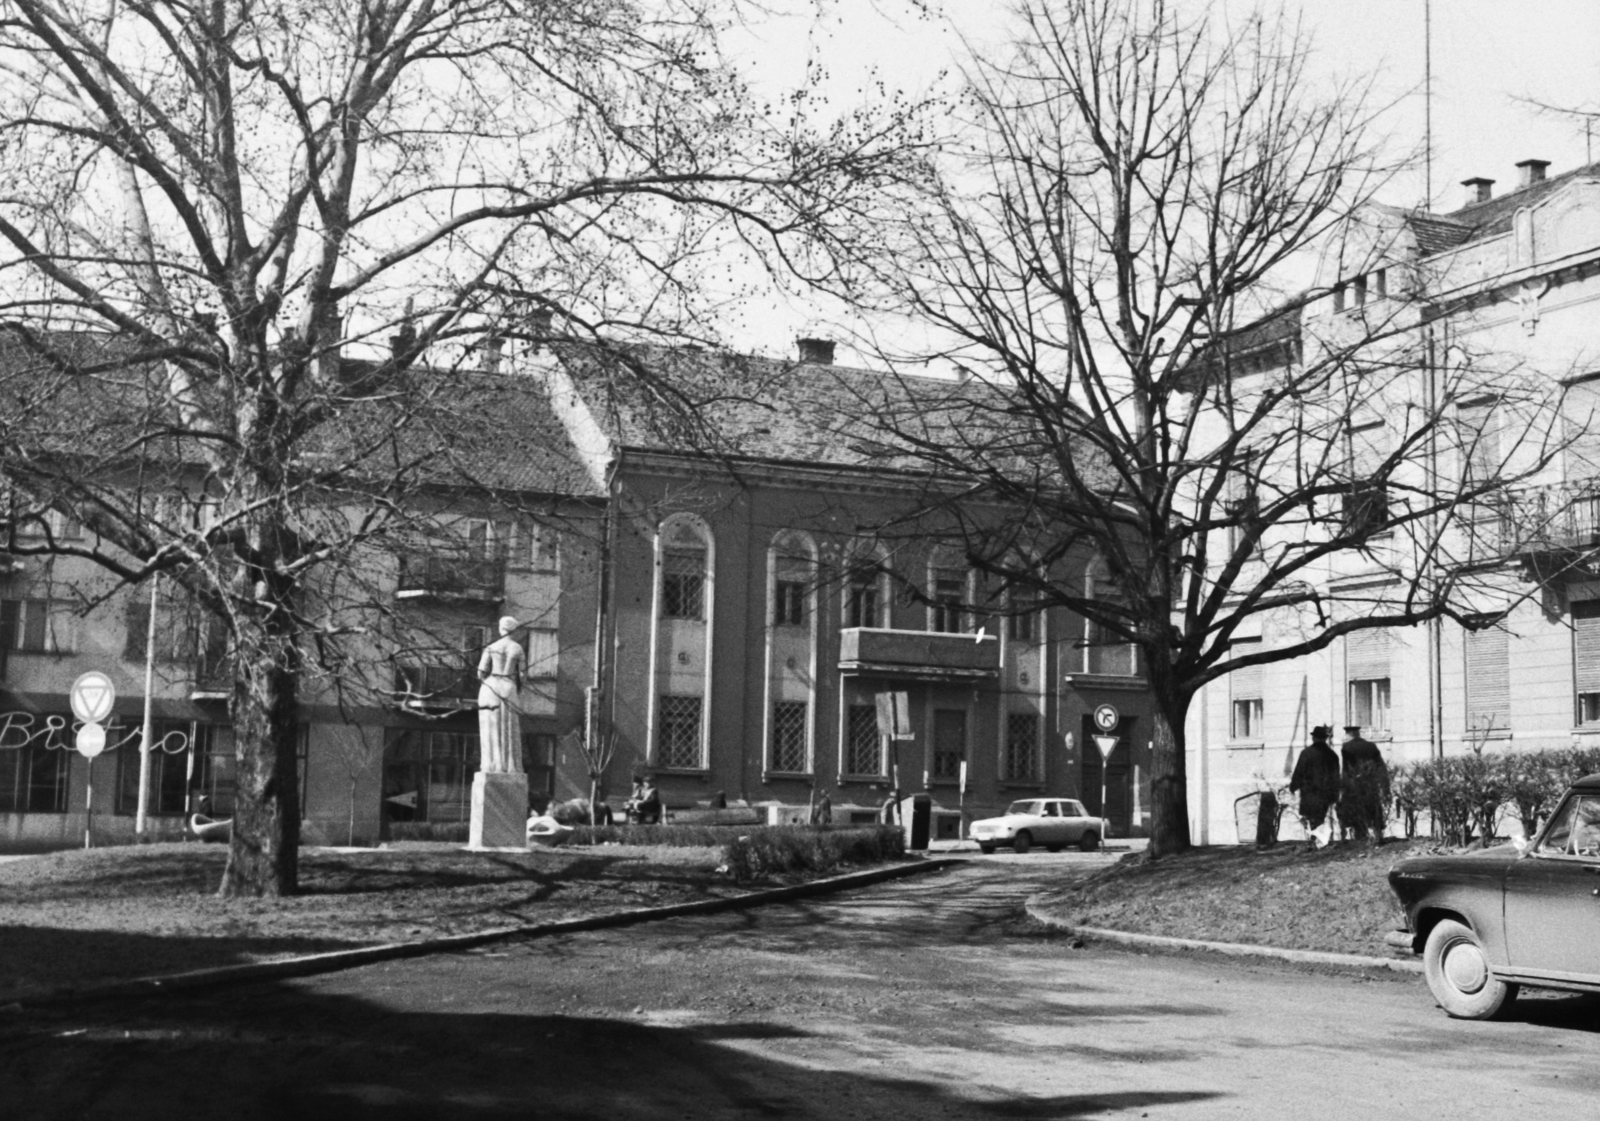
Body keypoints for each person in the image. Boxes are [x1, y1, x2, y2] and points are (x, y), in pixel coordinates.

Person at [476, 616, 526, 774]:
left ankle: (491, 764)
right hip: (508, 686)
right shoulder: (517, 648)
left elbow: (481, 672)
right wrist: (518, 689)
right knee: (508, 727)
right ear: (514, 629)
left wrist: (487, 682)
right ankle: (509, 765)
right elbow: (523, 676)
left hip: (490, 687)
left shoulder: (491, 647)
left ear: (500, 628)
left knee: (491, 726)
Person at [1339, 724, 1390, 842]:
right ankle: (1377, 834)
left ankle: (1361, 836)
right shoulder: (1371, 746)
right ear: (1358, 733)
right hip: (1371, 784)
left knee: (1357, 812)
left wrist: (1344, 786)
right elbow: (1380, 766)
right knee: (1373, 809)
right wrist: (1384, 786)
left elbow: (1346, 769)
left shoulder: (1346, 747)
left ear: (1348, 734)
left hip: (1354, 786)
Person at [1288, 725, 1341, 838]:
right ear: (1325, 738)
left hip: (1309, 792)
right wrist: (1335, 795)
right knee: (1320, 817)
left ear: (1314, 738)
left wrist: (1293, 786)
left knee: (1310, 817)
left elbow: (1299, 771)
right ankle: (1317, 839)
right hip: (1325, 793)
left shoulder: (1306, 753)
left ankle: (1314, 839)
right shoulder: (1332, 755)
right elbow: (1335, 777)